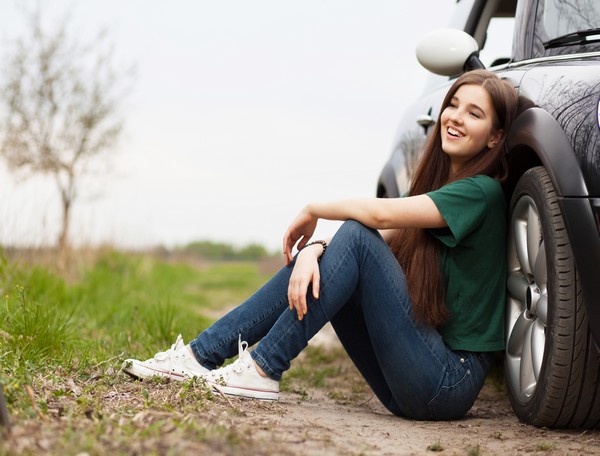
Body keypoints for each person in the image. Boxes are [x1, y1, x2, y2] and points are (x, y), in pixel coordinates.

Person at [123, 69, 522, 421]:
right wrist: (313, 251)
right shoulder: (442, 189)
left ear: (495, 138)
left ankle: (261, 368)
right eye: (453, 104)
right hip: (416, 382)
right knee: (341, 247)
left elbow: (376, 220)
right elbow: (374, 240)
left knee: (355, 234)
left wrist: (315, 209)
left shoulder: (482, 192)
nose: (456, 117)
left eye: (475, 113)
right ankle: (199, 356)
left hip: (448, 382)